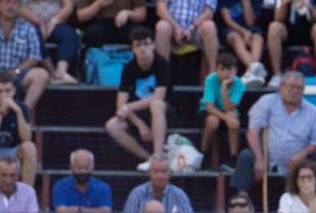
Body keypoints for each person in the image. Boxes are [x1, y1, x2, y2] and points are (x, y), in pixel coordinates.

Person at [230, 71, 316, 195]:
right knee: (246, 156)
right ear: (281, 86)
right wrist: (259, 159)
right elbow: (253, 132)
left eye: (299, 88)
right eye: (292, 86)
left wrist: (302, 154)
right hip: (266, 156)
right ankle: (242, 199)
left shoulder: (312, 111)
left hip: (298, 160)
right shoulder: (267, 102)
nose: (295, 91)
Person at [106, 26, 176, 170]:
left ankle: (158, 156)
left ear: (153, 45)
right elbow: (121, 105)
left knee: (156, 104)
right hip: (139, 115)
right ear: (132, 49)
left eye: (146, 44)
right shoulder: (129, 68)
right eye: (138, 45)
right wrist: (139, 124)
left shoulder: (161, 64)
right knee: (112, 125)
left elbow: (159, 97)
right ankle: (149, 159)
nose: (143, 49)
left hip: (163, 112)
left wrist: (128, 107)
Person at [0, 0, 50, 112]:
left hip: (17, 74)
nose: (11, 6)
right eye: (7, 2)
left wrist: (16, 71)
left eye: (15, 3)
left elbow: (34, 56)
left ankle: (23, 113)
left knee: (42, 75)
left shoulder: (28, 27)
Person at [121, 154, 195, 213]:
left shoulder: (180, 195)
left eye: (164, 172)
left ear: (170, 174)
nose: (159, 176)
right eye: (155, 171)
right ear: (149, 173)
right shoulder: (137, 194)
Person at [267, 0, 316, 88]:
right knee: (274, 27)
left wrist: (309, 6)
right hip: (288, 30)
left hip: (310, 30)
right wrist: (285, 3)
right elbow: (278, 18)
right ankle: (277, 74)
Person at [199, 51, 244, 164]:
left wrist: (224, 88)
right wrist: (226, 118)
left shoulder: (240, 84)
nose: (226, 73)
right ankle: (204, 154)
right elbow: (209, 107)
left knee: (233, 117)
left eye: (230, 69)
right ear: (217, 69)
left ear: (235, 71)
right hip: (209, 111)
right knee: (213, 121)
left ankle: (233, 158)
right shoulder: (210, 79)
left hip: (227, 111)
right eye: (222, 69)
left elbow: (229, 108)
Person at [153, 0, 219, 75]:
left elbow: (209, 12)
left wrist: (191, 28)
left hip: (196, 29)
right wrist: (176, 27)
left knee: (210, 26)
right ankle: (162, 73)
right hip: (171, 26)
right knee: (162, 26)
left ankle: (213, 73)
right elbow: (160, 8)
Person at [216, 0, 265, 86]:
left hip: (249, 28)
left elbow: (250, 22)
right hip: (230, 29)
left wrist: (246, 2)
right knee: (235, 37)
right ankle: (254, 68)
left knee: (258, 37)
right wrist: (243, 32)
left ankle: (252, 72)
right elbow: (228, 20)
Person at [76, 0, 148, 49]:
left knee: (138, 33)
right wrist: (98, 5)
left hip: (125, 23)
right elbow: (81, 16)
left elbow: (141, 15)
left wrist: (128, 13)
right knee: (94, 32)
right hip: (99, 23)